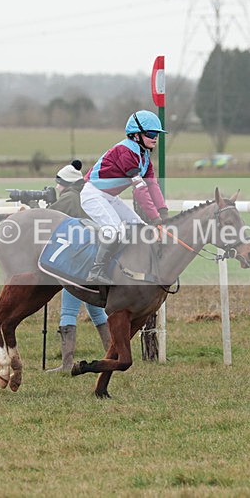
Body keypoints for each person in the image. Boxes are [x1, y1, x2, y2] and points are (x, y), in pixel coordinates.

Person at [80, 110, 169, 284]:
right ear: (136, 135)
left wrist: (164, 212)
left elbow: (153, 186)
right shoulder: (125, 152)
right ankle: (96, 270)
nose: (155, 138)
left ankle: (128, 267)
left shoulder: (144, 157)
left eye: (157, 134)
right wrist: (156, 218)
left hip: (110, 197)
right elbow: (140, 191)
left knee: (141, 228)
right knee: (114, 231)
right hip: (93, 194)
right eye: (151, 134)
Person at [46, 159, 111, 372]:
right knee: (96, 311)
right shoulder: (86, 195)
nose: (56, 187)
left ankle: (66, 363)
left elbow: (48, 219)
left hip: (77, 262)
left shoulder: (69, 198)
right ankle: (113, 354)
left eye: (58, 183)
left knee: (68, 310)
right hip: (95, 260)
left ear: (65, 183)